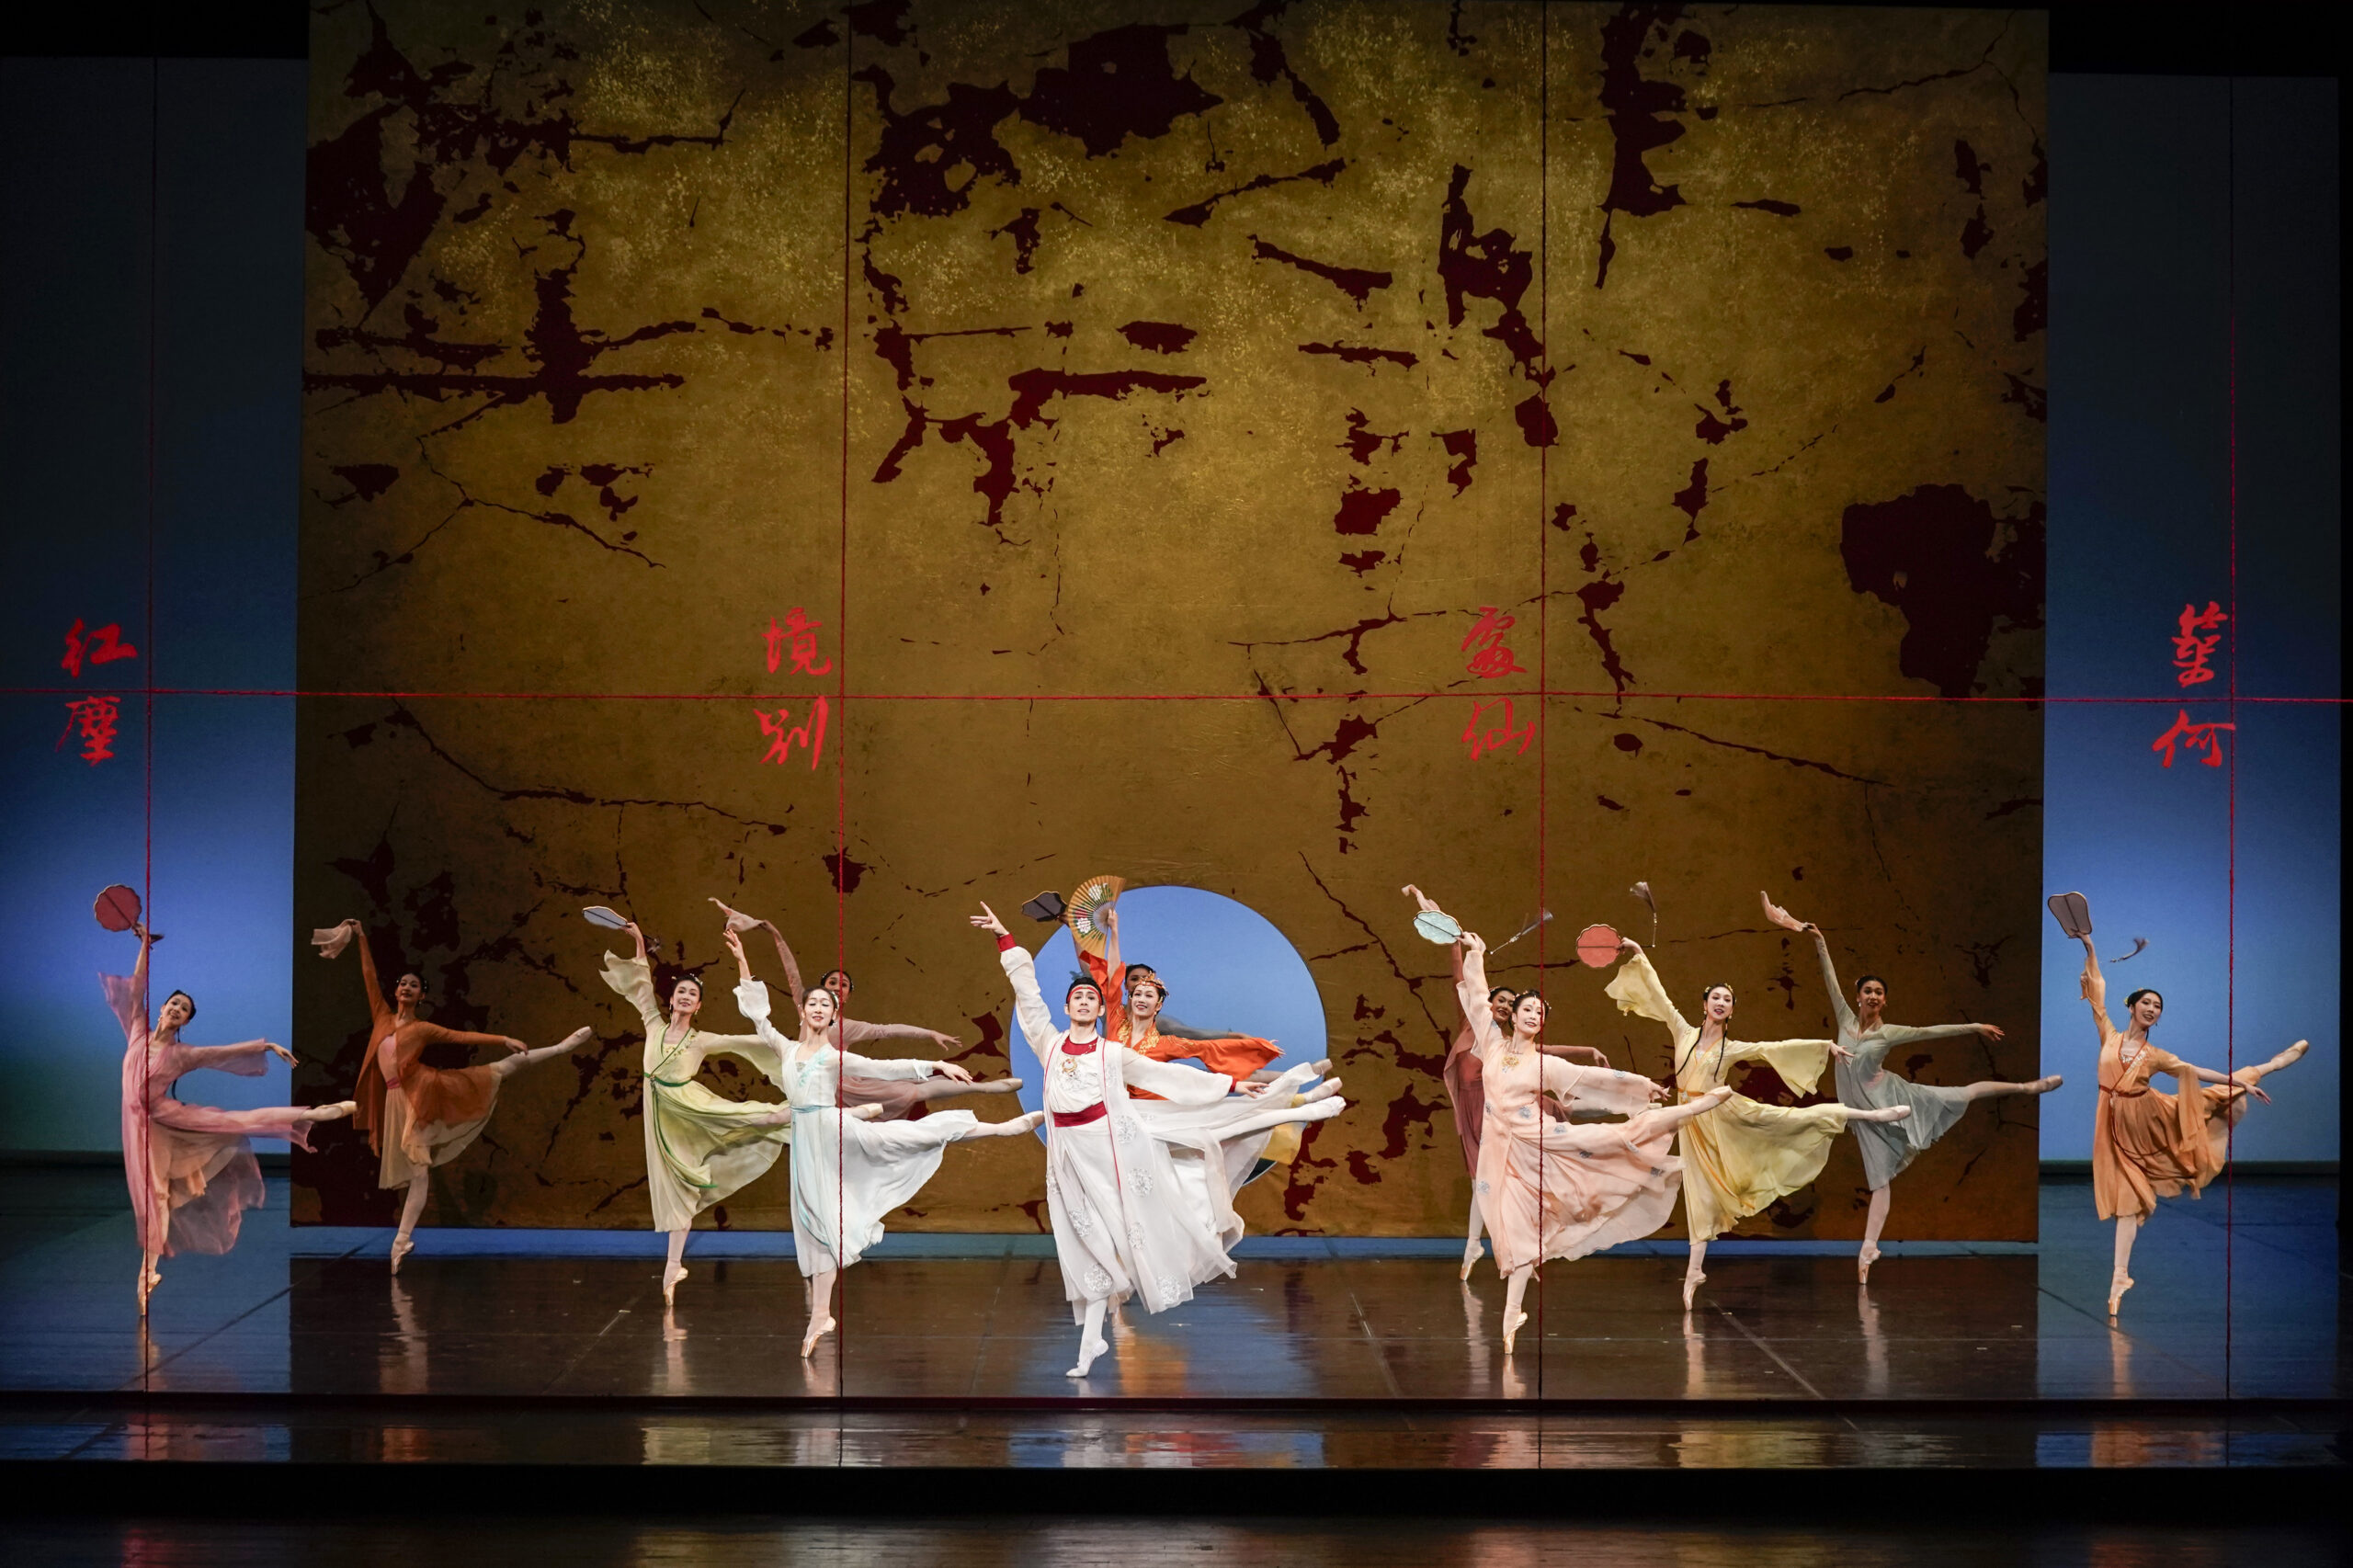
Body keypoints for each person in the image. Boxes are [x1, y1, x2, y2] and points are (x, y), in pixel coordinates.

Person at [974, 902, 1346, 1379]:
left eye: (1092, 998)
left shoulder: (1113, 1052)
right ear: (1067, 1008)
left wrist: (1231, 1083)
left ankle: (1303, 1100)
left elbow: (1175, 1078)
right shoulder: (1049, 1044)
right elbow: (1028, 996)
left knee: (1212, 1130)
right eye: (1079, 998)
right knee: (1083, 1246)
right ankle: (1090, 1344)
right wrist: (1005, 939)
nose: (1087, 1002)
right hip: (1068, 1158)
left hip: (1115, 1145)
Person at [731, 925, 1041, 1356]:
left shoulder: (835, 1056)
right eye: (813, 1002)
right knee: (813, 1225)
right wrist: (743, 961)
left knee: (905, 1138)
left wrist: (935, 1064)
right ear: (802, 1012)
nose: (819, 1007)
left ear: (834, 1015)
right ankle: (820, 1313)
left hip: (837, 1131)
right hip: (806, 1143)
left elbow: (888, 1067)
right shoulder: (785, 1049)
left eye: (827, 1004)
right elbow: (758, 1017)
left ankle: (996, 1128)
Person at [1426, 904, 1723, 1353]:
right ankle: (1510, 1318)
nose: (1532, 1015)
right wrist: (1477, 955)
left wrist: (1643, 1087)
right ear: (1514, 1015)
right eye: (1527, 1009)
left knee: (1615, 1137)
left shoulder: (1547, 1064)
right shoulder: (1490, 1043)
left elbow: (1599, 1081)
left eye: (1539, 1012)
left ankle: (1690, 1112)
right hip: (1501, 1153)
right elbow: (1476, 998)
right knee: (1514, 1234)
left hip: (1541, 1140)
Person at [1605, 937, 1915, 1308]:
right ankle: (1693, 1273)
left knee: (1789, 1119)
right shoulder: (1683, 1033)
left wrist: (1823, 1046)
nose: (1720, 1003)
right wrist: (1639, 953)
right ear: (1704, 1005)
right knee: (1699, 1196)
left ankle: (1870, 1115)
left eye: (1727, 1000)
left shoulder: (1731, 1048)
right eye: (1715, 998)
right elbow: (1660, 997)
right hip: (1690, 1121)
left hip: (1722, 1114)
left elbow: (1774, 1047)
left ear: (1731, 1011)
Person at [1768, 896, 2059, 1282]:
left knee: (1961, 1094)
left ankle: (2025, 1087)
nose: (1873, 996)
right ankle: (1869, 1248)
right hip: (1864, 1115)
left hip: (1894, 1098)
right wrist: (1818, 939)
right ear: (1858, 996)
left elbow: (1931, 1032)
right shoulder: (1843, 1016)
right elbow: (1827, 976)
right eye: (1868, 990)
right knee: (1880, 1183)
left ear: (1884, 1000)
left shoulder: (1890, 1033)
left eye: (1879, 992)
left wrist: (1973, 1027)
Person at [106, 919, 356, 1313]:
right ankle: (147, 1276)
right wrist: (145, 947)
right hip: (141, 1128)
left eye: (184, 1009)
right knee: (155, 1197)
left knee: (236, 1123)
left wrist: (267, 1044)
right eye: (173, 1003)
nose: (176, 1009)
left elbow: (222, 1052)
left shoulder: (183, 1054)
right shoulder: (137, 1032)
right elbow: (136, 987)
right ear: (163, 1009)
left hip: (164, 1118)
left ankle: (318, 1114)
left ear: (186, 1022)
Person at [321, 918, 593, 1272]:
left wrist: (502, 1039)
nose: (405, 987)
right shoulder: (382, 1018)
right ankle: (401, 1241)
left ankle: (558, 1048)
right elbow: (369, 977)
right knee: (418, 1175)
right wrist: (360, 937)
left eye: (413, 985)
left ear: (422, 996)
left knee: (499, 1070)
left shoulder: (423, 1028)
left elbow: (461, 1037)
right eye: (402, 983)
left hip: (423, 1092)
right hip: (395, 1101)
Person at [2074, 929, 2308, 1316]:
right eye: (2146, 1002)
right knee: (2128, 1203)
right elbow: (2096, 988)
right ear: (2131, 1006)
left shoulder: (2155, 1055)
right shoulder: (2109, 1036)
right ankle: (2120, 1277)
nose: (2152, 1008)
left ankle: (2270, 1065)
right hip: (2112, 1124)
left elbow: (2195, 1070)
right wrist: (2090, 947)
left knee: (2216, 1096)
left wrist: (2238, 1082)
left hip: (2147, 1120)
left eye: (2158, 1006)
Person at [1402, 885, 1608, 1279]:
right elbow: (1459, 967)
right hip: (1473, 1114)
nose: (1502, 1006)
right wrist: (1439, 920)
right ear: (1488, 1001)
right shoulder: (1473, 1025)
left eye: (1509, 1005)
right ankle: (1478, 1247)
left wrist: (1584, 1049)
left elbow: (1544, 1052)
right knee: (1484, 1184)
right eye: (1498, 1000)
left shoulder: (1504, 1045)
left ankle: (1505, 1249)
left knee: (1520, 1165)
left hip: (1503, 1116)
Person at [597, 917, 795, 1306]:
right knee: (679, 1190)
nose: (686, 996)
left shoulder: (701, 1040)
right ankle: (673, 1266)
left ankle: (813, 1110)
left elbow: (751, 1039)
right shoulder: (653, 1024)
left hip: (690, 1106)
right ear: (671, 999)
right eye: (681, 992)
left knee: (761, 1118)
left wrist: (741, 960)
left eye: (693, 994)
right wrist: (638, 940)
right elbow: (640, 986)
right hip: (664, 1118)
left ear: (699, 1005)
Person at [718, 901, 1024, 1119]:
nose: (836, 988)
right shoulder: (806, 1005)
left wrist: (929, 1033)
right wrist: (770, 931)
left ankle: (985, 1088)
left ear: (846, 997)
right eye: (831, 983)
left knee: (915, 1088)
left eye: (843, 985)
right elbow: (791, 972)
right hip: (811, 1078)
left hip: (845, 1081)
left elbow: (889, 1031)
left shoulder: (850, 1027)